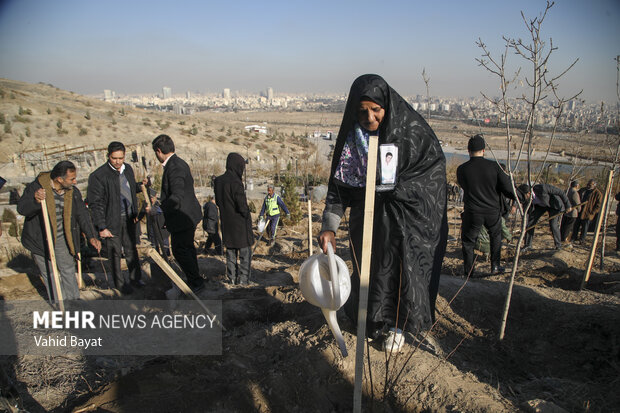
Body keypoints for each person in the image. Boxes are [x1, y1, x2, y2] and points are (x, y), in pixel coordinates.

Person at [318, 74, 447, 353]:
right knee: (369, 269)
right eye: (362, 110)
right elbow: (340, 189)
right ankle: (371, 320)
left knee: (400, 271)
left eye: (376, 110)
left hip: (404, 219)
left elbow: (432, 169)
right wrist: (329, 226)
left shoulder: (411, 131)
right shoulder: (353, 141)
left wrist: (396, 189)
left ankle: (398, 326)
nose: (370, 117)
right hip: (367, 218)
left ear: (386, 106)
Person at [17, 161, 101, 302]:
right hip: (40, 239)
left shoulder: (73, 192)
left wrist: (92, 236)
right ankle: (60, 304)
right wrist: (36, 201)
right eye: (71, 179)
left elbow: (83, 215)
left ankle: (74, 302)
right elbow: (22, 209)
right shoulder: (37, 187)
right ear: (59, 179)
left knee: (68, 269)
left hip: (63, 237)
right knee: (50, 274)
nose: (75, 181)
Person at [87, 141, 143, 294]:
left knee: (131, 249)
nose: (118, 162)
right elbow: (95, 203)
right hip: (112, 220)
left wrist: (140, 185)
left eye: (121, 158)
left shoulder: (128, 170)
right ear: (108, 156)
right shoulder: (98, 176)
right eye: (114, 158)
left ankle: (135, 279)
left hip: (130, 218)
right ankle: (119, 285)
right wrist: (102, 226)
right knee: (115, 253)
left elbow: (128, 189)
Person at [151, 134, 204, 292]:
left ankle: (195, 282)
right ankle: (195, 279)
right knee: (186, 249)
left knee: (180, 250)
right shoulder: (176, 163)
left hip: (183, 217)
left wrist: (159, 208)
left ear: (158, 151)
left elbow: (177, 195)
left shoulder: (175, 166)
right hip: (184, 215)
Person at [457, 135, 516, 276]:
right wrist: (518, 197)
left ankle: (469, 270)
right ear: (484, 150)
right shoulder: (495, 167)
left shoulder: (462, 169)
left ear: (468, 150)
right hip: (492, 211)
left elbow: (463, 186)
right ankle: (495, 266)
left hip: (472, 211)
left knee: (468, 241)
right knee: (495, 238)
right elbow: (507, 188)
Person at [214, 153, 254, 285]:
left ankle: (232, 279)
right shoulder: (236, 182)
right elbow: (242, 205)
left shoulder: (218, 181)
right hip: (240, 226)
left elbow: (219, 202)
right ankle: (243, 281)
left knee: (230, 254)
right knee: (244, 255)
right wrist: (246, 215)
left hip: (227, 223)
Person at [518, 183, 571, 250]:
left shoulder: (542, 188)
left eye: (524, 196)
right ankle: (528, 245)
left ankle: (558, 245)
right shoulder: (526, 199)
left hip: (554, 205)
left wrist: (568, 205)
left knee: (553, 224)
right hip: (541, 206)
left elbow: (560, 192)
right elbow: (526, 213)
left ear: (528, 193)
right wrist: (523, 225)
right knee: (530, 223)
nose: (522, 198)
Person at [572, 179, 602, 244]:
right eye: (587, 184)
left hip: (588, 213)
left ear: (594, 185)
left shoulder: (597, 193)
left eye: (590, 184)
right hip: (579, 211)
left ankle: (582, 240)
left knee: (584, 227)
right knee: (576, 225)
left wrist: (593, 212)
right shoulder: (582, 190)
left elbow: (599, 205)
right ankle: (573, 238)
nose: (588, 186)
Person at [561, 180, 581, 245]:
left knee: (564, 226)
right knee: (568, 227)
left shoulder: (566, 191)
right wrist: (579, 210)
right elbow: (577, 203)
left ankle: (561, 237)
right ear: (577, 185)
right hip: (572, 213)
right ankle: (564, 239)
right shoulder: (574, 193)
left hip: (565, 211)